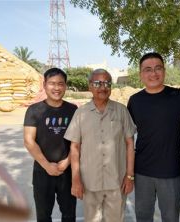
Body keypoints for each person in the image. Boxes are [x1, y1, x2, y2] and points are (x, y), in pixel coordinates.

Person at [127, 52, 180, 222]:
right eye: (148, 69)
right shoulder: (135, 101)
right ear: (141, 74)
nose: (153, 73)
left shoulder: (179, 96)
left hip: (172, 172)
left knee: (171, 218)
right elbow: (126, 137)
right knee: (143, 217)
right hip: (142, 171)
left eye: (158, 68)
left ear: (164, 71)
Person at [64, 69, 136, 222]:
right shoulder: (81, 113)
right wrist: (75, 179)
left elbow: (130, 144)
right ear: (90, 86)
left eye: (107, 83)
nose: (103, 87)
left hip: (116, 182)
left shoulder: (121, 111)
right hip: (90, 182)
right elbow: (74, 147)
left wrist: (130, 176)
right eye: (97, 83)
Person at [23, 68, 77, 222]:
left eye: (61, 83)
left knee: (69, 215)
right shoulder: (34, 110)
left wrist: (67, 162)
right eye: (52, 83)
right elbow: (28, 140)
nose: (57, 88)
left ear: (65, 86)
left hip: (67, 171)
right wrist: (47, 165)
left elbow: (78, 140)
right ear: (44, 85)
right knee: (43, 216)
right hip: (42, 171)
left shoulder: (72, 110)